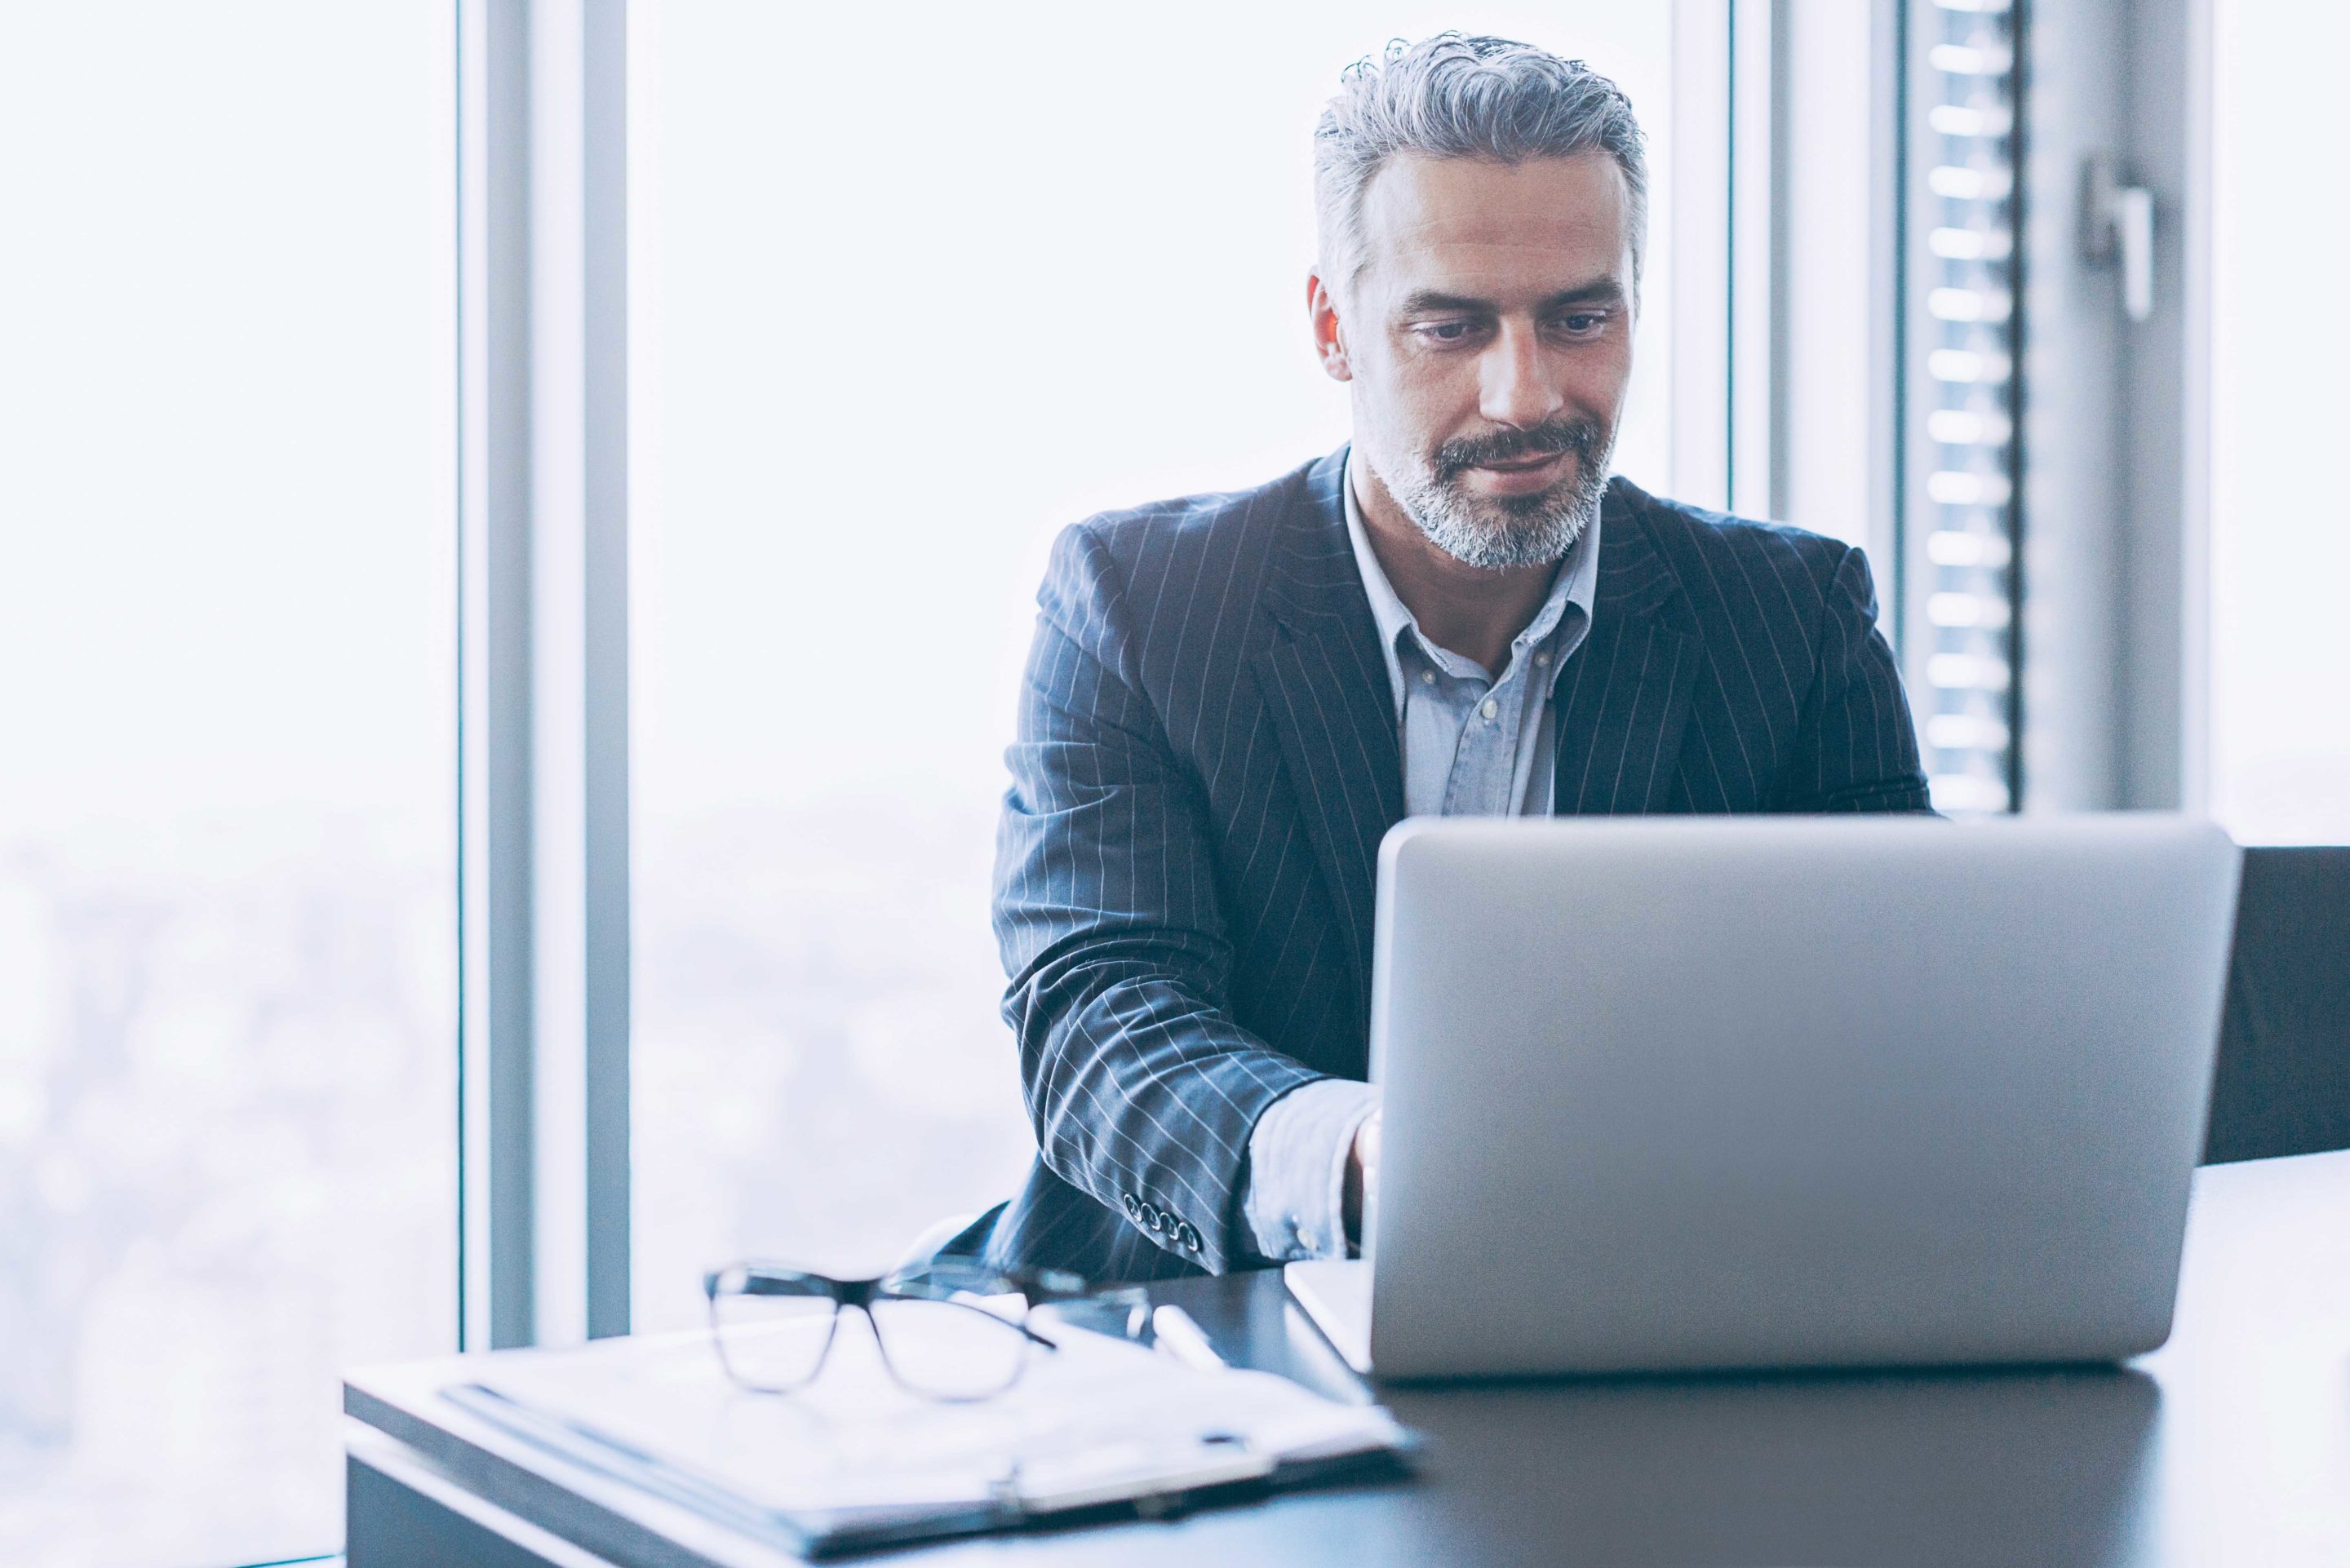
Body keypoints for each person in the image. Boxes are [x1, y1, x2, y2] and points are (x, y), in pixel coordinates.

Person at [978, 34, 1930, 1283]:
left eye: (1579, 317)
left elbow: (1903, 1016)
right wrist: (1373, 1158)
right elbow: (1102, 1025)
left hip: (1656, 1332)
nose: (1525, 395)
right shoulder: (1139, 605)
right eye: (1453, 326)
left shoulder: (1794, 619)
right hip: (1204, 1342)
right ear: (1333, 327)